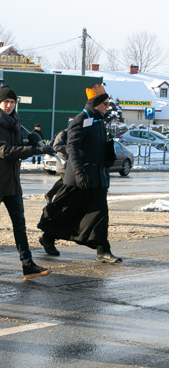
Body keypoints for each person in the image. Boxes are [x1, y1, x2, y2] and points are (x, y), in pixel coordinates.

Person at [0, 85, 54, 281]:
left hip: (12, 181)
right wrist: (34, 150)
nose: (8, 106)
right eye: (5, 102)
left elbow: (16, 148)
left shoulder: (15, 121)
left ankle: (28, 265)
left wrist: (32, 141)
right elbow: (5, 151)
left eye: (12, 102)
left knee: (20, 225)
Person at [37, 88, 121, 263]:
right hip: (79, 178)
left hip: (97, 178)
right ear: (95, 103)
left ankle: (102, 251)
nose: (107, 107)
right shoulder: (81, 120)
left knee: (99, 213)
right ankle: (48, 237)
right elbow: (72, 149)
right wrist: (79, 173)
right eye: (105, 103)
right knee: (66, 212)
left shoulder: (99, 121)